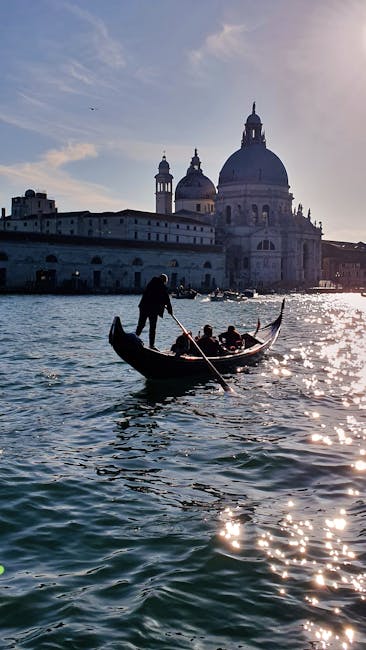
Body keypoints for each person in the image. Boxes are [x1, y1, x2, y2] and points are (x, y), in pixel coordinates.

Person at [135, 274, 173, 349]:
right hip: (152, 309)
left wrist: (167, 306)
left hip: (143, 307)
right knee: (152, 328)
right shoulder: (162, 286)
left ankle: (134, 338)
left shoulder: (151, 283)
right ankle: (151, 345)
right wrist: (170, 310)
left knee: (141, 325)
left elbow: (163, 297)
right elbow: (167, 300)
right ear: (164, 281)